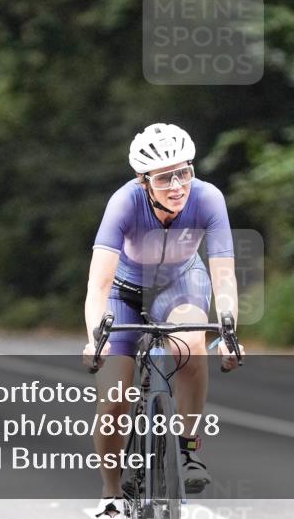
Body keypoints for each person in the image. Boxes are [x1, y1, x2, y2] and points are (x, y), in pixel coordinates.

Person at [81, 122, 242, 519]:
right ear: (143, 181)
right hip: (125, 292)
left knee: (189, 346)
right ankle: (111, 491)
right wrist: (94, 340)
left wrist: (228, 331)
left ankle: (188, 451)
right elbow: (98, 285)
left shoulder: (208, 198)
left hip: (181, 284)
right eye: (164, 177)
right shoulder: (123, 203)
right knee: (115, 398)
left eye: (184, 171)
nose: (177, 185)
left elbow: (223, 275)